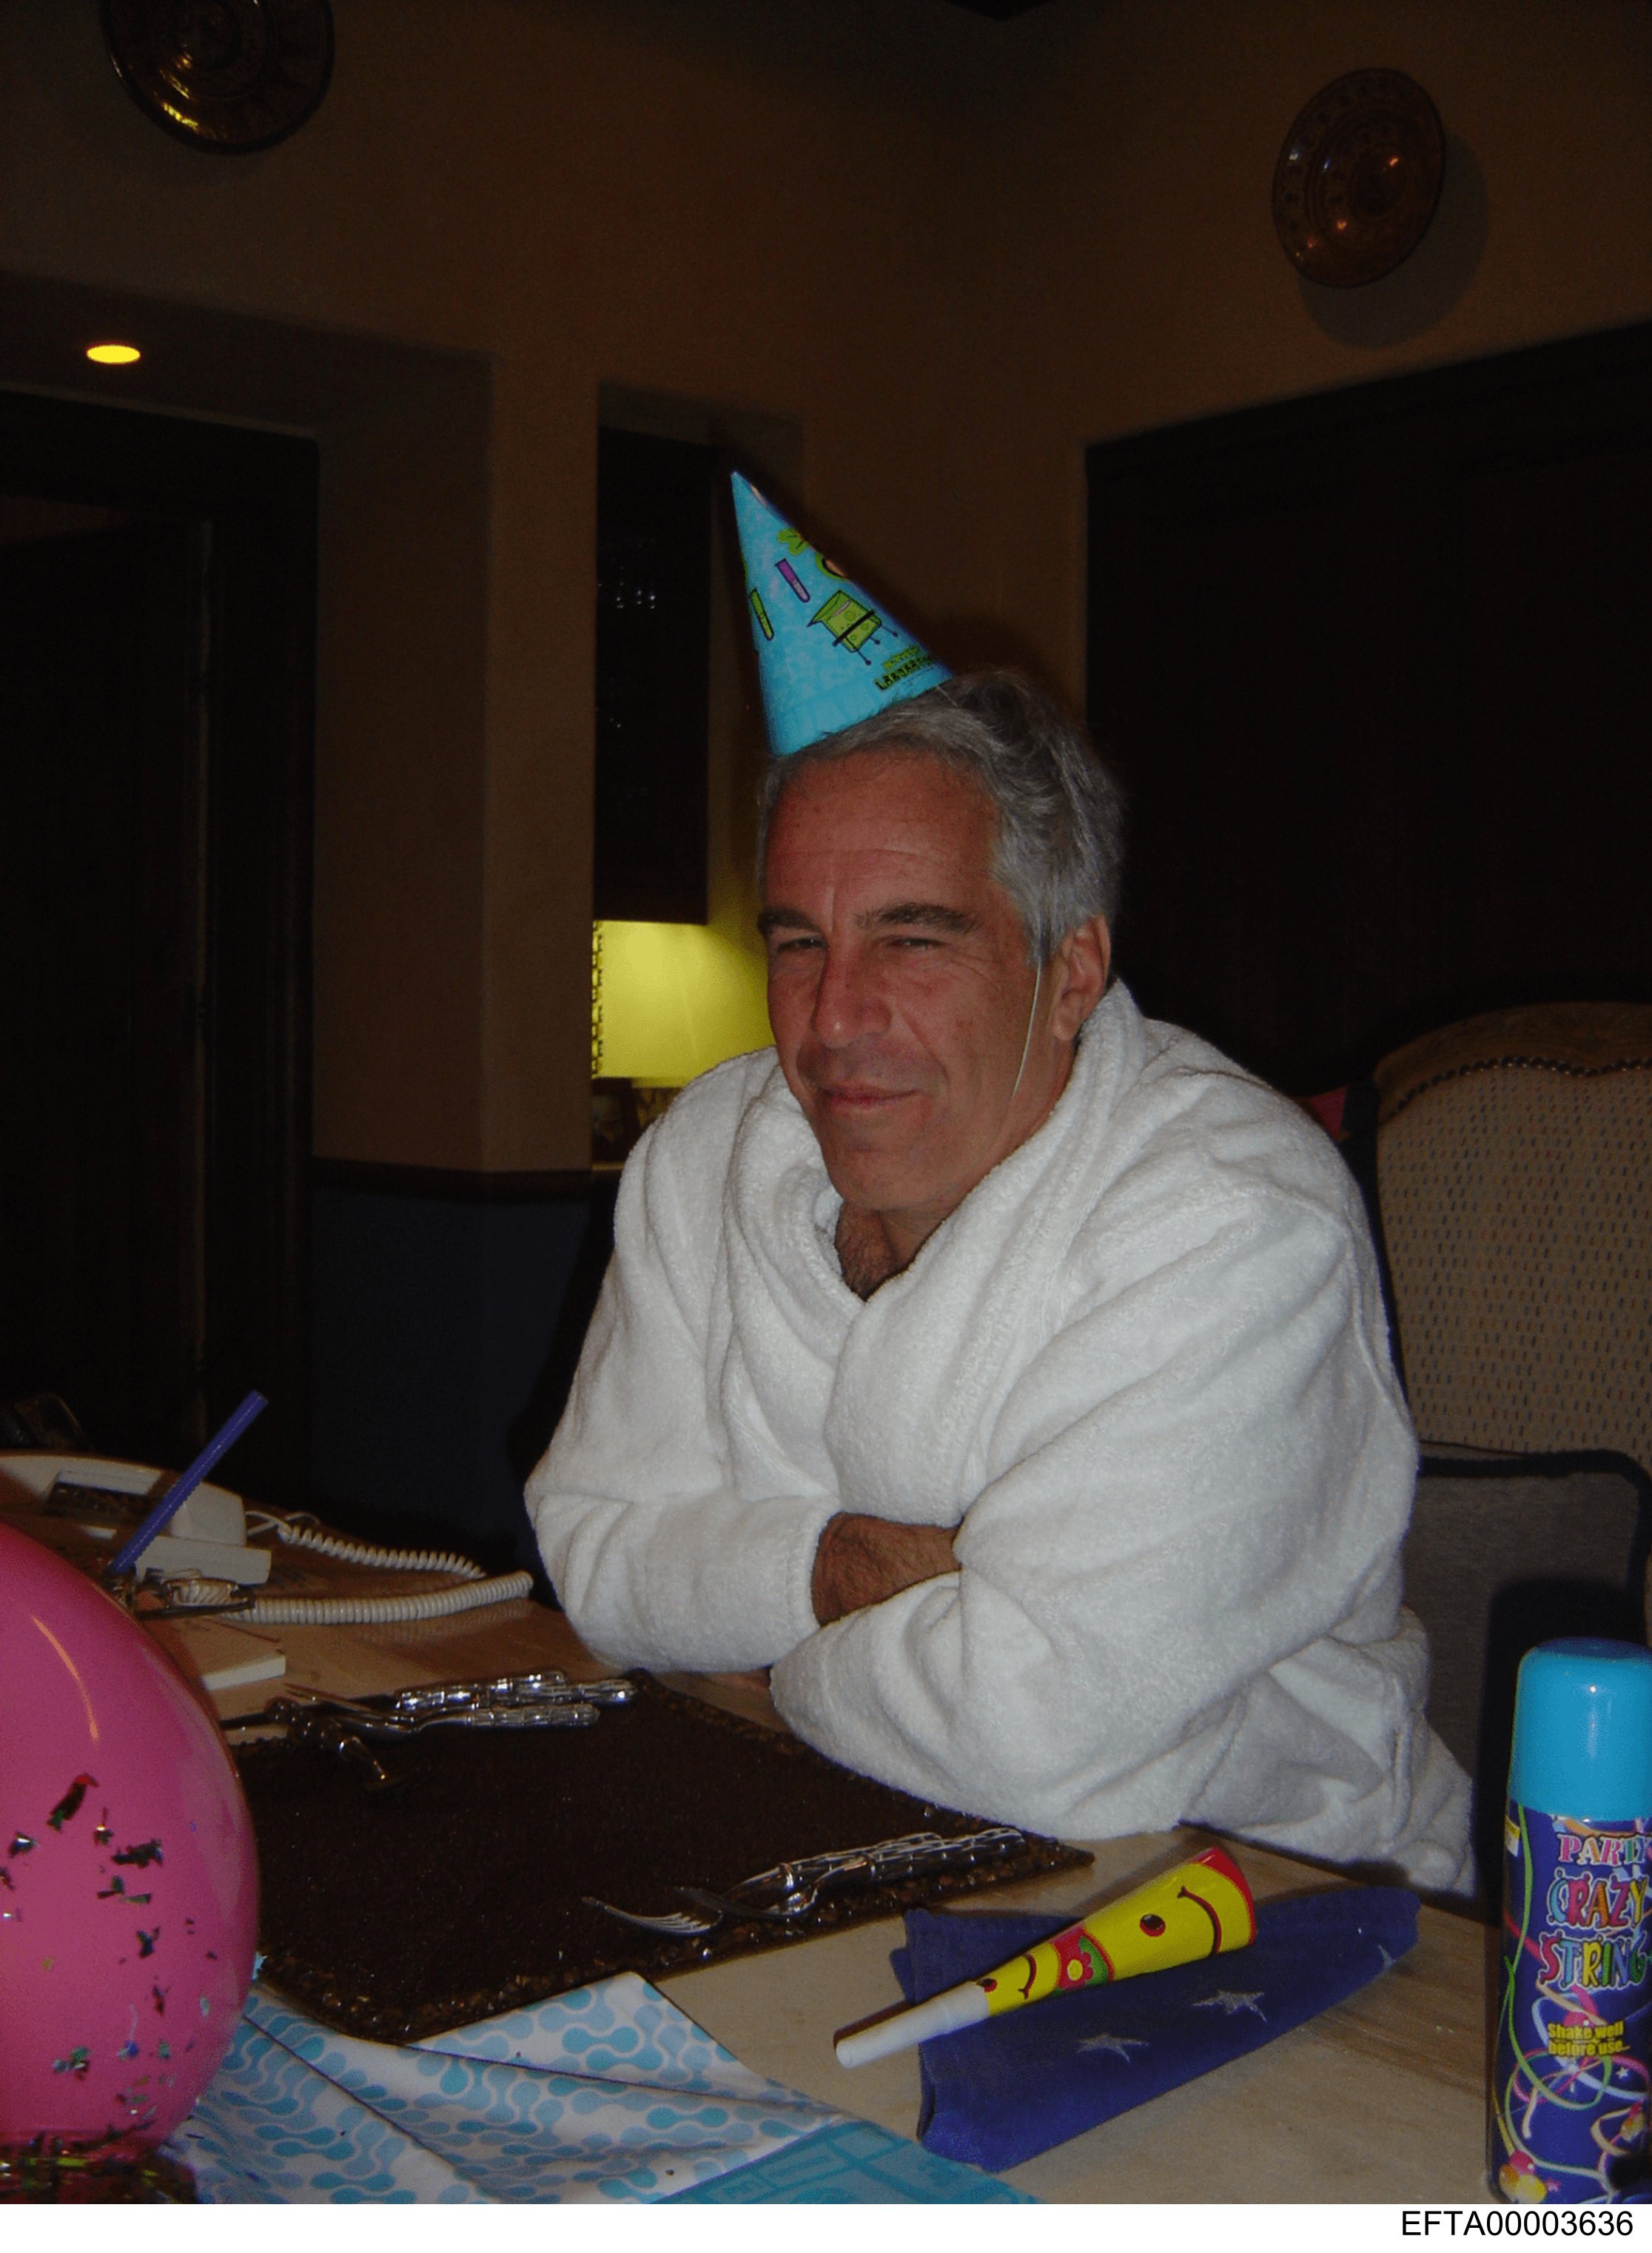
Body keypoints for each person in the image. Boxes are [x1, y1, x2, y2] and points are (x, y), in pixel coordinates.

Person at [530, 669, 1469, 1891]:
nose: (834, 1019)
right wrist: (847, 1571)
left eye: (913, 939)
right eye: (801, 941)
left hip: (1266, 1898)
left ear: (1071, 973)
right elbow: (593, 1549)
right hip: (811, 1838)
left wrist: (769, 1648)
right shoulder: (707, 1157)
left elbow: (1031, 1733)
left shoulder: (1235, 1218)